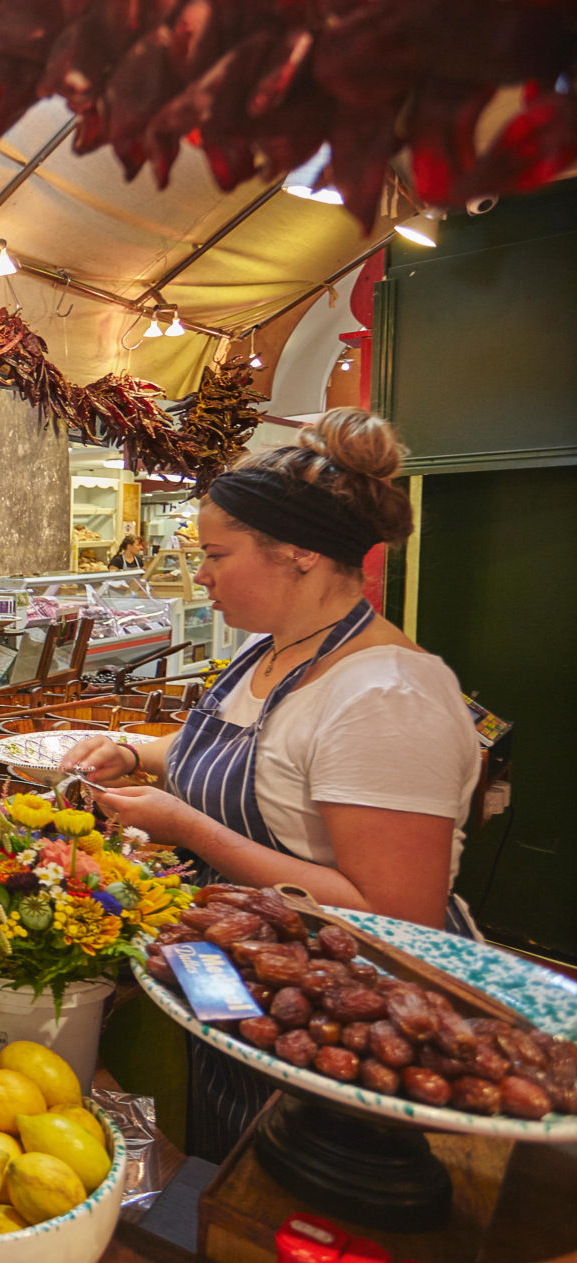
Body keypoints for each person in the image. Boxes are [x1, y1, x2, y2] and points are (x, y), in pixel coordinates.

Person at [61, 409, 481, 1161]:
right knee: (220, 1156)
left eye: (216, 554)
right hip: (251, 977)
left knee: (284, 1187)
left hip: (341, 1018)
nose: (201, 575)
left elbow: (396, 916)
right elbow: (258, 770)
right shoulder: (274, 652)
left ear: (299, 554)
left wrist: (186, 827)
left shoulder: (386, 696)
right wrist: (134, 749)